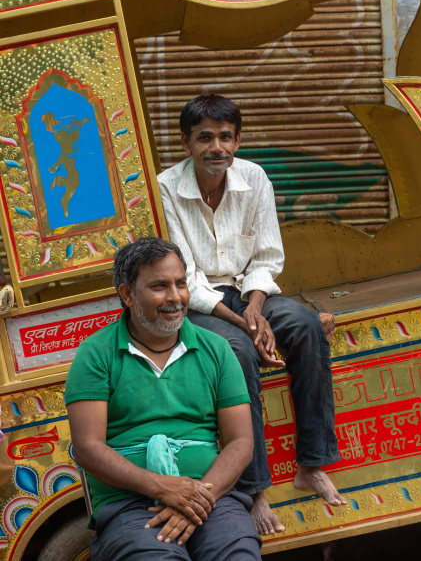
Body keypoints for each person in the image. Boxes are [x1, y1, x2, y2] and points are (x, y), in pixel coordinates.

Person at [157, 94, 346, 537]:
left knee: (302, 324)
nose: (216, 147)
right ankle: (256, 487)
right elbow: (184, 275)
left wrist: (257, 308)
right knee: (236, 351)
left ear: (238, 139)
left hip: (249, 293)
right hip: (198, 301)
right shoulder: (167, 186)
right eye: (205, 138)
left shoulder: (254, 177)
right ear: (186, 142)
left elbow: (266, 257)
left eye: (226, 137)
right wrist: (245, 324)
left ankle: (311, 464)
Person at [65, 237, 261, 560]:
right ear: (127, 294)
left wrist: (194, 500)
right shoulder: (95, 354)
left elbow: (241, 442)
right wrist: (164, 488)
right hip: (130, 505)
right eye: (159, 286)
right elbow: (88, 449)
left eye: (181, 284)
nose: (175, 297)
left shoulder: (217, 350)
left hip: (211, 497)